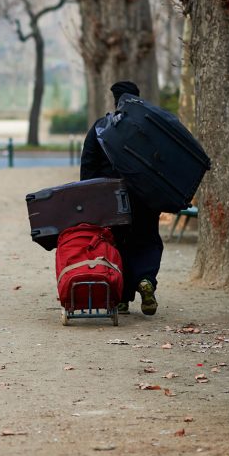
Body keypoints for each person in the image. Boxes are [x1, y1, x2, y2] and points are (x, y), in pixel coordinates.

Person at [79, 81, 162, 315]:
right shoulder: (150, 128)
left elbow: (88, 168)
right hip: (144, 196)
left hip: (110, 200)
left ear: (114, 101)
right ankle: (145, 279)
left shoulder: (100, 128)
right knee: (147, 239)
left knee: (116, 244)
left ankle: (121, 296)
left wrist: (91, 201)